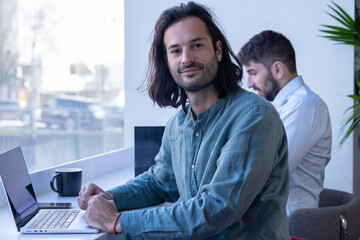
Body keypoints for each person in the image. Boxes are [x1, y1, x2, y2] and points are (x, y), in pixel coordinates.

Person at [78, 3, 290, 239]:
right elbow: (159, 182)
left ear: (218, 51)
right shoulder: (177, 125)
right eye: (175, 51)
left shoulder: (255, 116)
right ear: (167, 62)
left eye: (197, 45)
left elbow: (216, 209)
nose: (187, 59)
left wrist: (117, 221)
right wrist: (109, 197)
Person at [238, 30, 332, 216]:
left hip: (292, 227)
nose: (248, 83)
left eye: (252, 73)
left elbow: (266, 172)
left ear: (277, 70)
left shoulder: (304, 106)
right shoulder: (284, 108)